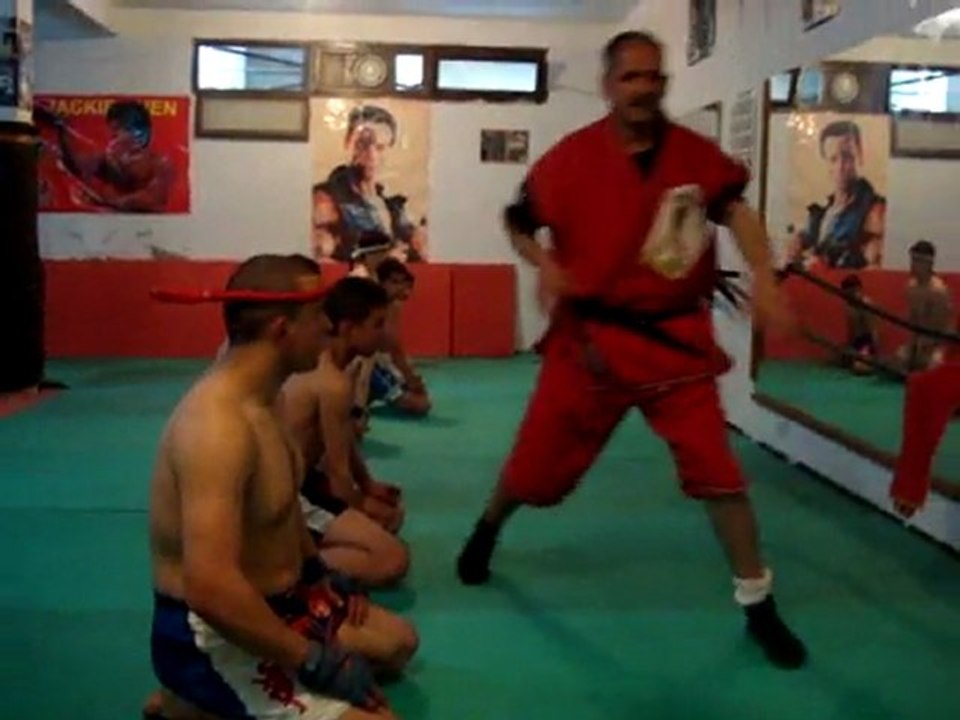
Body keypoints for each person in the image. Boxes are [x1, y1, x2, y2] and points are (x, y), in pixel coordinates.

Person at [456, 30, 808, 670]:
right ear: (608, 84)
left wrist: (766, 277)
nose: (644, 88)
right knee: (535, 469)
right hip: (587, 346)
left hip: (673, 345)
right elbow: (517, 218)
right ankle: (488, 528)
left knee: (719, 475)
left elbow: (738, 213)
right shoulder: (572, 158)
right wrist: (544, 263)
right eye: (631, 77)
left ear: (664, 84)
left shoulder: (694, 156)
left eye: (654, 77)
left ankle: (758, 602)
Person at [147, 255, 416, 720]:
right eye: (318, 317)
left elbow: (284, 509)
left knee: (397, 645)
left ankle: (197, 708)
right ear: (280, 329)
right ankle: (193, 696)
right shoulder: (217, 427)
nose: (329, 327)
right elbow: (209, 588)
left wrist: (320, 578)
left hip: (282, 601)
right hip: (214, 634)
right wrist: (308, 658)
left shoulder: (268, 399)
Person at [297, 276, 406, 535]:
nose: (385, 333)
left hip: (305, 478)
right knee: (387, 545)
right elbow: (338, 473)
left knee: (390, 515)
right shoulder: (331, 382)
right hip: (287, 491)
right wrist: (360, 511)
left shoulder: (340, 368)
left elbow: (344, 436)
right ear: (348, 329)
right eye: (378, 324)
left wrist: (367, 484)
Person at [312, 105, 427, 264]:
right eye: (363, 145)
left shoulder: (392, 207)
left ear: (389, 150)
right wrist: (377, 264)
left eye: (380, 148)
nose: (371, 155)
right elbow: (319, 262)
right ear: (348, 143)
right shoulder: (326, 199)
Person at [34, 99, 175, 212]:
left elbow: (154, 199)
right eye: (113, 132)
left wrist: (108, 201)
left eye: (117, 132)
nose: (113, 138)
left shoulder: (161, 164)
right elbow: (76, 166)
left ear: (139, 134)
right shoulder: (109, 160)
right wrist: (62, 129)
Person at [789, 120, 886, 269]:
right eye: (833, 159)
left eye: (847, 157)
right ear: (826, 163)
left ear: (859, 156)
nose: (841, 167)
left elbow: (873, 268)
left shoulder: (874, 209)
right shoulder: (819, 215)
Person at [361, 258, 431, 417]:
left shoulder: (393, 307)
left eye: (402, 282)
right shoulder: (372, 307)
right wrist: (410, 377)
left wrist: (411, 377)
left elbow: (394, 350)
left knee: (421, 396)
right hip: (367, 366)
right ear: (381, 282)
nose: (399, 287)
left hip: (380, 363)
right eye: (394, 282)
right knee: (420, 405)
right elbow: (393, 349)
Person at [896, 241, 955, 373]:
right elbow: (913, 321)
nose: (913, 264)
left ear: (928, 263)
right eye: (912, 259)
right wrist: (912, 347)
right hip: (918, 342)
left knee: (935, 364)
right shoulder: (910, 287)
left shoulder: (938, 291)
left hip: (937, 345)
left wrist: (925, 349)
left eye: (917, 261)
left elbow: (941, 329)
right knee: (899, 359)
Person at [840, 274, 878, 375]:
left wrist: (871, 351)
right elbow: (851, 331)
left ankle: (868, 362)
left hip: (866, 343)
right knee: (836, 356)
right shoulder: (848, 305)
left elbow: (873, 331)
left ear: (857, 289)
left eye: (850, 292)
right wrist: (848, 347)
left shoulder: (866, 304)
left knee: (860, 368)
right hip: (856, 342)